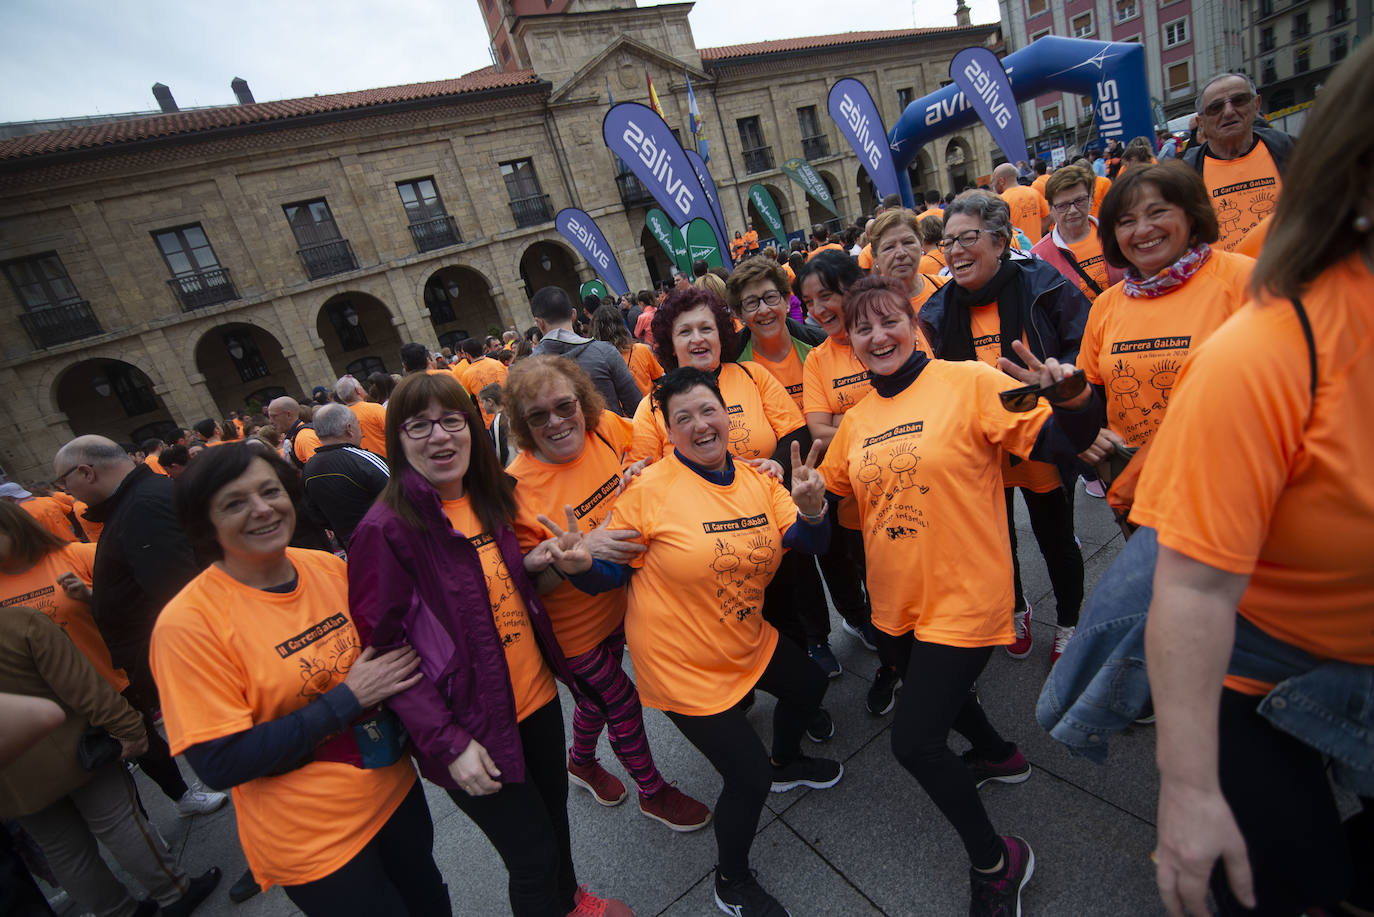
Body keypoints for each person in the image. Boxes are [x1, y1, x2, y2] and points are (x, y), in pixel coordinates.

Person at [1131, 47, 1374, 916]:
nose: (1143, 230)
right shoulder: (1271, 348)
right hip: (1260, 650)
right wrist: (1187, 787)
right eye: (1129, 219)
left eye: (1242, 103)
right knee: (1278, 877)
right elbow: (1190, 588)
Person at [818, 274, 1102, 917]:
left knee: (913, 742)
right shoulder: (857, 420)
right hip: (895, 604)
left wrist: (1072, 399)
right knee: (926, 689)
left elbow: (1062, 443)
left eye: (888, 320)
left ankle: (1000, 861)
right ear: (852, 344)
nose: (876, 335)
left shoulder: (969, 382)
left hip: (967, 597)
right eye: (861, 328)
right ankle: (998, 755)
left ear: (913, 325)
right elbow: (827, 509)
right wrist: (789, 497)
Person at [556, 367, 842, 917]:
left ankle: (786, 760)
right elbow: (610, 577)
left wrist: (811, 508)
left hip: (746, 637)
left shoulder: (759, 479)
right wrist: (579, 566)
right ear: (669, 430)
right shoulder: (648, 490)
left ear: (726, 416)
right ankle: (731, 880)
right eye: (681, 418)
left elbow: (807, 541)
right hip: (682, 665)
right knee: (745, 777)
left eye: (708, 410)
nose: (699, 425)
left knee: (809, 685)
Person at [345, 372, 632, 917]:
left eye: (452, 420)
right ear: (397, 441)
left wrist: (538, 561)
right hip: (470, 722)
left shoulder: (489, 496)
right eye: (420, 425)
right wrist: (448, 743)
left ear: (473, 427)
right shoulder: (384, 531)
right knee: (530, 856)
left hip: (534, 699)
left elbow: (489, 588)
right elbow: (385, 656)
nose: (440, 436)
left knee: (553, 822)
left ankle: (571, 902)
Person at [147, 445, 444, 916]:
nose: (262, 508)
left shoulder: (325, 567)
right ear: (204, 524)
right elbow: (220, 762)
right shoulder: (188, 624)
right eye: (234, 502)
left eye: (270, 491)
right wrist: (347, 699)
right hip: (314, 841)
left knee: (431, 903)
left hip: (394, 792)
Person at [501, 356, 711, 831]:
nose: (556, 421)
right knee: (621, 702)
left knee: (596, 701)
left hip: (623, 607)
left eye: (564, 406)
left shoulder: (607, 431)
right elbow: (526, 587)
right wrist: (568, 553)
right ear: (521, 423)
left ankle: (580, 762)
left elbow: (661, 455)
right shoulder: (513, 488)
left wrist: (640, 473)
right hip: (574, 635)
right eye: (538, 415)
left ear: (582, 402)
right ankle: (653, 793)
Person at [919, 190, 1091, 664]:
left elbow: (1084, 348)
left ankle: (1072, 622)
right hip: (979, 447)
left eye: (967, 238)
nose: (954, 251)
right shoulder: (936, 311)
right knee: (997, 540)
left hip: (1039, 435)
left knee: (1056, 536)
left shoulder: (1044, 284)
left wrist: (1053, 381)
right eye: (948, 242)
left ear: (999, 241)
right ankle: (1016, 608)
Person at [1, 605, 220, 917]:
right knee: (119, 823)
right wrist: (129, 727)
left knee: (65, 852)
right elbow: (82, 685)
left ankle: (119, 912)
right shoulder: (18, 623)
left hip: (14, 782)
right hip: (78, 755)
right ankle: (175, 892)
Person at [50, 436, 227, 815]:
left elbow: (179, 592)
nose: (66, 492)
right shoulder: (136, 501)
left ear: (86, 471)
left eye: (65, 481)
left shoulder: (142, 505)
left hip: (189, 666)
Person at [1079, 161, 1255, 468]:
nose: (1144, 230)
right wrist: (1083, 430)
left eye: (1158, 212)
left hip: (1232, 483)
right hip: (1139, 490)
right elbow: (1094, 397)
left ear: (1191, 215)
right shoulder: (1105, 307)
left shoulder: (1246, 281)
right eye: (1126, 221)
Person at [725, 257, 845, 682]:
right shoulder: (733, 359)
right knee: (796, 568)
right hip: (772, 479)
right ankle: (817, 639)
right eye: (750, 303)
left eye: (770, 297)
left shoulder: (814, 342)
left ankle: (857, 615)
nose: (763, 310)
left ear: (786, 299)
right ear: (739, 314)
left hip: (832, 468)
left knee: (841, 554)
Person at [796, 252, 888, 708]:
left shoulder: (884, 330)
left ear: (853, 288)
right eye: (809, 302)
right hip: (853, 501)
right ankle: (893, 665)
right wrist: (885, 418)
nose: (817, 310)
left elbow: (920, 399)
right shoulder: (816, 359)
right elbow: (817, 430)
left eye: (826, 296)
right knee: (877, 586)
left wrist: (843, 418)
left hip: (906, 488)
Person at [0, 502, 125, 694]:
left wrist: (91, 598)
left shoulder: (81, 555)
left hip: (121, 684)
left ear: (14, 527)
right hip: (59, 706)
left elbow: (139, 609)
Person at [1181, 72, 1296, 252]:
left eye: (1239, 100)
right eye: (1215, 107)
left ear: (1256, 105)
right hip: (1224, 278)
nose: (1228, 112)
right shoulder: (1185, 174)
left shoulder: (1290, 151)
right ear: (1200, 122)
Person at [531, 286, 642, 418]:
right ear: (573, 315)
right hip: (611, 435)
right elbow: (636, 407)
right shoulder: (605, 351)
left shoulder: (526, 370)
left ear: (539, 323)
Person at [1031, 164, 1125, 303]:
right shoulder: (1039, 257)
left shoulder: (1116, 235)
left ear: (1091, 200)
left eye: (1079, 201)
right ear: (1051, 209)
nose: (1073, 210)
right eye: (1063, 205)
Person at [301, 403, 390, 549]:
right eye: (357, 425)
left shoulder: (309, 468)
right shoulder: (364, 459)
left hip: (352, 545)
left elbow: (314, 513)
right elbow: (400, 495)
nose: (360, 431)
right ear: (349, 429)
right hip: (386, 539)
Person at [869, 208, 947, 328]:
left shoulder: (946, 290)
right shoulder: (867, 309)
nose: (901, 253)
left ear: (921, 244)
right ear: (875, 256)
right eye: (889, 247)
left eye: (908, 242)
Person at [590, 302, 663, 396]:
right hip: (650, 407)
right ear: (621, 325)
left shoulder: (597, 363)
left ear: (595, 329)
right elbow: (660, 379)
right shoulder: (641, 349)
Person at [993, 163, 1051, 244]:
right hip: (1037, 248)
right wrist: (1037, 233)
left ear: (1002, 181)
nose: (994, 185)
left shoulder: (1001, 200)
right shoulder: (1034, 192)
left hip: (1018, 251)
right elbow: (1048, 217)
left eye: (994, 181)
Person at [334, 375, 388, 457]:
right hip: (387, 461)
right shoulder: (375, 409)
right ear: (358, 390)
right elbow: (394, 433)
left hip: (362, 466)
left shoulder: (339, 419)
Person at [267, 396, 321, 468]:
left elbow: (321, 471)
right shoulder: (296, 436)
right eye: (269, 417)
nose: (270, 421)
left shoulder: (304, 438)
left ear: (288, 415)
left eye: (274, 416)